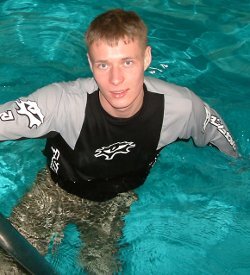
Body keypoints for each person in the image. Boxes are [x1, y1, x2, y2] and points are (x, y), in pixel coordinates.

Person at [0, 8, 238, 274]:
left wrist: (237, 176)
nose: (115, 80)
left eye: (127, 62)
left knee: (103, 269)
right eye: (104, 65)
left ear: (146, 58)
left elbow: (230, 154)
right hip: (53, 193)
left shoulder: (181, 109)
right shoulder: (61, 104)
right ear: (91, 64)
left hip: (115, 203)